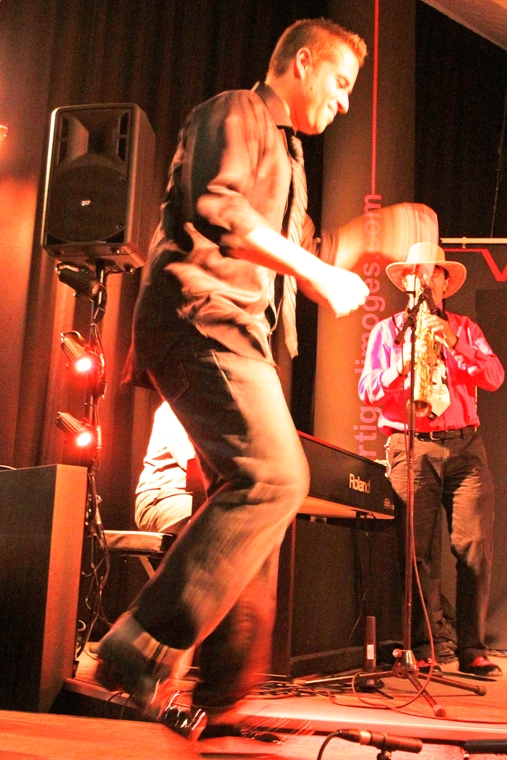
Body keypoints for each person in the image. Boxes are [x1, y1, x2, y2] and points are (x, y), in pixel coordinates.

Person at [96, 19, 435, 740]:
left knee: (261, 509)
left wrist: (362, 241)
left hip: (241, 338)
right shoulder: (235, 111)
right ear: (302, 63)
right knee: (274, 478)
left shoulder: (290, 158)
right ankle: (139, 643)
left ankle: (223, 699)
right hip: (198, 318)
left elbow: (303, 244)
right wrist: (315, 272)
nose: (345, 101)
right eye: (340, 82)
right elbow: (217, 208)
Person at [359, 242, 504, 678]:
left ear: (444, 282)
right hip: (411, 445)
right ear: (406, 281)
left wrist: (456, 344)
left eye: (433, 272)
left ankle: (472, 648)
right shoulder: (386, 332)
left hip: (464, 446)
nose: (425, 279)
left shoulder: (465, 328)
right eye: (417, 273)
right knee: (415, 553)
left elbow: (494, 377)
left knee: (474, 547)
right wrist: (400, 367)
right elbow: (367, 390)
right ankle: (423, 647)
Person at [135, 402, 195, 535]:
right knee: (211, 522)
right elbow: (192, 461)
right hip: (161, 498)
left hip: (196, 497)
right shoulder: (172, 409)